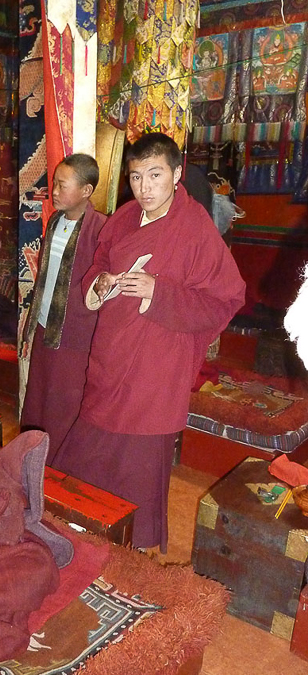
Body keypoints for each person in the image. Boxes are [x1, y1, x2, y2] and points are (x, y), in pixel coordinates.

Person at [53, 132, 246, 552]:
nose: (145, 188)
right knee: (90, 444)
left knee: (137, 460)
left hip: (157, 362)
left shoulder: (195, 228)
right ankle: (82, 524)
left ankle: (133, 546)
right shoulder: (123, 217)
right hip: (113, 352)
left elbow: (227, 298)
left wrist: (158, 293)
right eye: (136, 177)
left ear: (176, 174)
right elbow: (99, 263)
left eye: (155, 175)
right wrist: (99, 282)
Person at [20, 153, 107, 466]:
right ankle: (30, 462)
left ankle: (58, 471)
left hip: (74, 336)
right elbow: (44, 279)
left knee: (63, 406)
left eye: (61, 185)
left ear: (86, 191)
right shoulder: (55, 221)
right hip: (46, 327)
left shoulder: (101, 230)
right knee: (38, 399)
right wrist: (33, 325)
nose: (53, 191)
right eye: (54, 184)